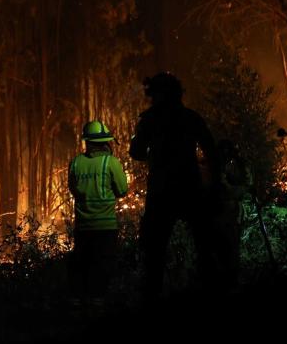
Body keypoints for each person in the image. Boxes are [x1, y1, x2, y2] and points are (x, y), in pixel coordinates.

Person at [129, 72, 222, 299]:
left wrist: (154, 152)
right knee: (204, 243)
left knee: (155, 249)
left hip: (162, 191)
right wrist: (215, 183)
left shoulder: (150, 119)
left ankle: (152, 297)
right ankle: (211, 290)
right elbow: (211, 149)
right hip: (190, 186)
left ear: (155, 94)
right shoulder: (190, 117)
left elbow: (136, 152)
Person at [68, 120, 128, 310]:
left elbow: (73, 190)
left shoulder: (76, 162)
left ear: (87, 142)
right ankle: (97, 308)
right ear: (106, 143)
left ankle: (78, 307)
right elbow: (122, 190)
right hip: (105, 227)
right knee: (102, 267)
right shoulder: (111, 162)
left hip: (83, 226)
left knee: (82, 267)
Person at [214, 139, 253, 291]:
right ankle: (229, 280)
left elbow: (244, 187)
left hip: (231, 212)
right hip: (224, 213)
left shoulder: (237, 166)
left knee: (230, 248)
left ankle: (231, 281)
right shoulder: (224, 166)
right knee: (226, 249)